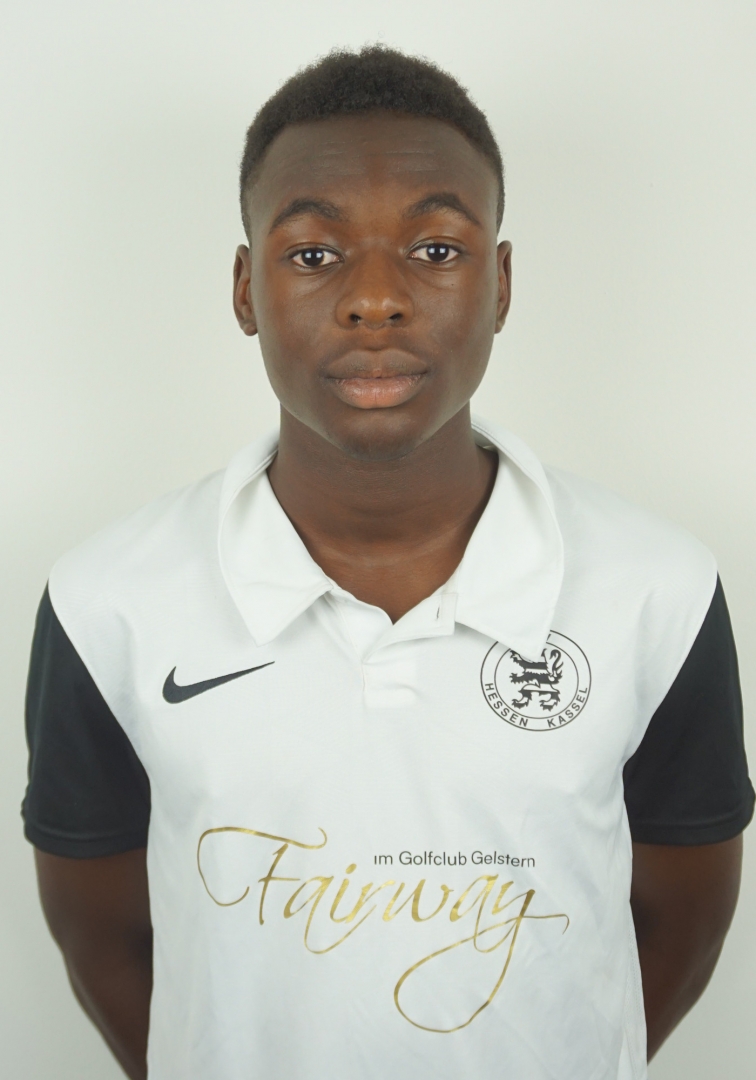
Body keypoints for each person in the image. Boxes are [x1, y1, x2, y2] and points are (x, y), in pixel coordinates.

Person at [23, 45, 752, 1080]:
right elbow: (103, 939)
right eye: (315, 253)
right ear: (246, 289)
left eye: (436, 249)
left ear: (501, 284)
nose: (375, 299)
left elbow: (678, 921)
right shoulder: (107, 605)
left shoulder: (657, 592)